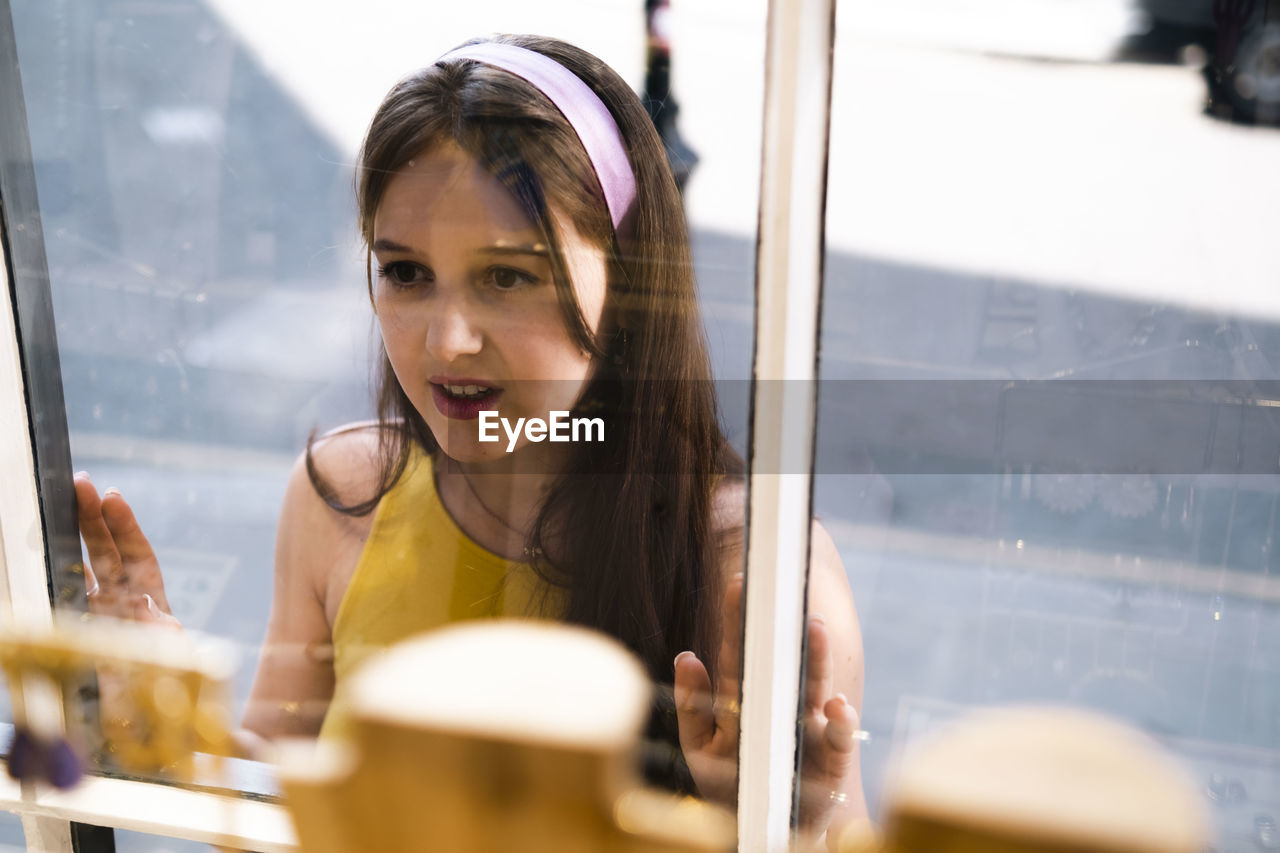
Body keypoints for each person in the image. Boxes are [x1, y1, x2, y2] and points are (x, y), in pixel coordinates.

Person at [72, 34, 867, 842]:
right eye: (407, 273)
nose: (447, 341)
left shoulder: (757, 576)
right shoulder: (340, 497)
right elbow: (283, 797)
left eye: (508, 276)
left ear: (629, 284)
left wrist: (785, 825)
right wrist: (166, 713)